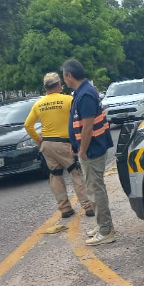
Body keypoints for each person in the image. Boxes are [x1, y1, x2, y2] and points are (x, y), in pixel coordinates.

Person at [24, 72, 94, 220]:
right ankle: (88, 206)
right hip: (64, 143)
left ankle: (65, 209)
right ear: (59, 85)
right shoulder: (68, 100)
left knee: (55, 175)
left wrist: (38, 139)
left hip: (47, 144)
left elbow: (28, 125)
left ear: (45, 87)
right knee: (75, 172)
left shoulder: (38, 104)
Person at [62, 58, 115, 246]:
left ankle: (106, 230)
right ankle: (103, 225)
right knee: (92, 188)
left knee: (95, 190)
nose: (64, 80)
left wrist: (82, 149)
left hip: (92, 150)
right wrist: (75, 145)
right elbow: (78, 125)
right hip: (87, 149)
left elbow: (87, 127)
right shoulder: (81, 92)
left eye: (64, 76)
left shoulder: (85, 95)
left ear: (69, 76)